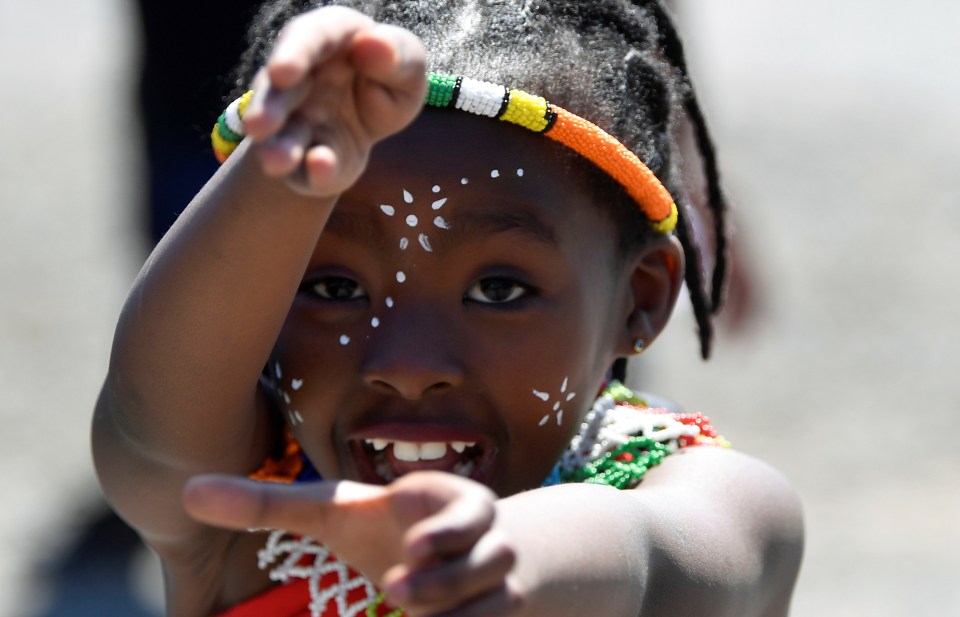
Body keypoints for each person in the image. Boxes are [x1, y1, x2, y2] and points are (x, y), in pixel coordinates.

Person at [92, 1, 803, 616]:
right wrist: (283, 168)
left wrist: (504, 558)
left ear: (642, 298)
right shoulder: (243, 510)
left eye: (499, 290)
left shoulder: (708, 495)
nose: (407, 364)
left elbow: (650, 556)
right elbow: (145, 415)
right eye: (335, 288)